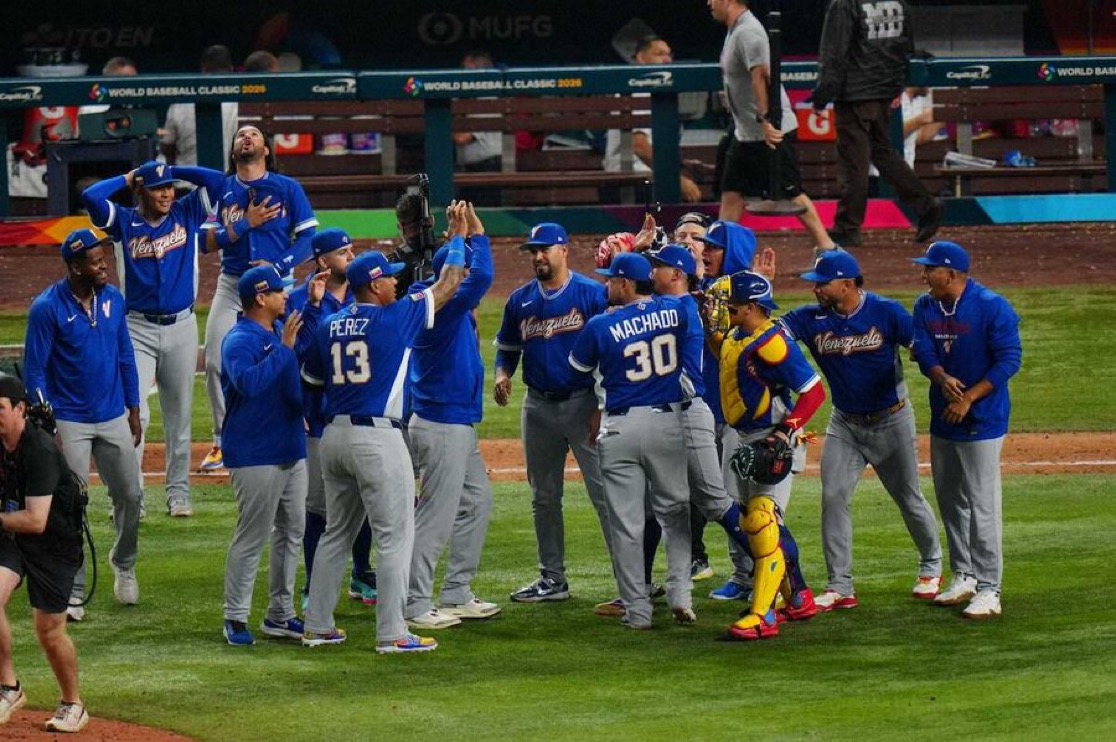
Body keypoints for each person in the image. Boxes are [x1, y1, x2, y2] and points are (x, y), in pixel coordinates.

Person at [300, 206, 467, 653]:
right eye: (390, 277)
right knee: (396, 536)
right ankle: (392, 632)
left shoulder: (329, 323)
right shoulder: (395, 317)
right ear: (374, 285)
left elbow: (311, 383)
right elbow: (449, 285)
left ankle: (317, 624)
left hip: (333, 436)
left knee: (337, 532)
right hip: (377, 436)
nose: (396, 281)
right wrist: (458, 240)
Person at [780, 249, 942, 610]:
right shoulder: (809, 319)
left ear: (848, 284)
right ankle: (840, 586)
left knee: (908, 497)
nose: (816, 289)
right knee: (833, 497)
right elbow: (770, 335)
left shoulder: (886, 312)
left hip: (892, 419)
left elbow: (923, 350)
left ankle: (931, 567)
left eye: (823, 283)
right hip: (845, 423)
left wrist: (932, 359)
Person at [81, 160, 224, 518]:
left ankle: (178, 494)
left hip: (182, 325)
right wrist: (128, 176)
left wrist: (172, 168)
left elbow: (220, 181)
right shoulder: (123, 221)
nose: (167, 194)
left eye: (170, 186)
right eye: (159, 188)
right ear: (141, 191)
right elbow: (90, 196)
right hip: (136, 329)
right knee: (137, 413)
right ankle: (133, 495)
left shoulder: (187, 211)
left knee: (179, 417)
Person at [569, 252, 695, 630]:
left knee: (626, 525)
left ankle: (637, 612)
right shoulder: (676, 312)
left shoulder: (599, 325)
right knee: (676, 514)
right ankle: (681, 595)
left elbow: (577, 369)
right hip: (667, 424)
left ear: (625, 284)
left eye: (611, 279)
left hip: (620, 429)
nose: (606, 284)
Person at [22, 229, 143, 622]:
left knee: (131, 494)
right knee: (69, 506)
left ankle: (123, 563)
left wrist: (134, 408)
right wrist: (46, 425)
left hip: (111, 416)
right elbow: (35, 371)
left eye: (104, 257)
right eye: (96, 261)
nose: (104, 265)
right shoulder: (47, 309)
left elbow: (125, 353)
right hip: (70, 420)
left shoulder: (113, 299)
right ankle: (71, 589)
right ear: (76, 267)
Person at [496, 222, 611, 604]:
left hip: (583, 406)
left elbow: (610, 356)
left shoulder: (592, 295)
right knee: (543, 498)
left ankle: (634, 577)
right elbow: (508, 347)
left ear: (565, 249)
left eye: (545, 249)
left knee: (606, 495)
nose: (538, 256)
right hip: (538, 407)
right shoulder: (520, 300)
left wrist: (600, 405)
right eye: (533, 250)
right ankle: (552, 579)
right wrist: (502, 374)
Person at [707, 270, 826, 639]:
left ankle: (763, 616)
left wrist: (786, 432)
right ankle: (799, 598)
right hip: (744, 438)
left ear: (752, 307)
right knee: (754, 521)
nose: (723, 310)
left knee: (762, 522)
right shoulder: (738, 336)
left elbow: (813, 392)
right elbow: (726, 357)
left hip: (769, 438)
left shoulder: (772, 343)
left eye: (730, 306)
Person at [911, 241, 1021, 620]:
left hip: (984, 422)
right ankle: (965, 575)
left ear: (952, 274)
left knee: (982, 504)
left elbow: (1010, 360)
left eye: (930, 269)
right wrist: (940, 377)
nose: (923, 275)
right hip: (943, 419)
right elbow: (922, 351)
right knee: (950, 500)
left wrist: (968, 398)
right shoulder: (925, 305)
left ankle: (990, 589)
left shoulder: (992, 306)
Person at [200, 124, 318, 472]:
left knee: (294, 354)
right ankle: (223, 440)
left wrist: (277, 264)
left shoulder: (287, 188)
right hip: (233, 284)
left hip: (279, 286)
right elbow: (206, 242)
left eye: (253, 134)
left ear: (266, 148)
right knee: (214, 360)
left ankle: (298, 425)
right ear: (234, 150)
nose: (246, 137)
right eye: (240, 135)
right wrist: (244, 224)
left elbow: (308, 238)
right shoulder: (222, 191)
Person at [404, 202, 499, 631]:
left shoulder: (431, 301)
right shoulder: (439, 308)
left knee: (476, 501)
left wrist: (470, 238)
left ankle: (457, 592)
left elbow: (472, 276)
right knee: (435, 517)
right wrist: (470, 234)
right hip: (441, 424)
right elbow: (480, 277)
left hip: (453, 422)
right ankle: (414, 603)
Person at [287, 229, 378, 607]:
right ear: (323, 261)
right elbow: (293, 356)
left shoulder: (364, 298)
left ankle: (361, 573)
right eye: (344, 252)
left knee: (367, 500)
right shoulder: (296, 300)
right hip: (317, 418)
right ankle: (313, 585)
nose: (352, 255)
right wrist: (312, 307)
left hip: (358, 413)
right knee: (319, 508)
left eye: (352, 249)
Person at [219, 265, 307, 646]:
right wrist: (284, 350)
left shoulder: (275, 330)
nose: (285, 295)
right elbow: (249, 383)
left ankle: (281, 614)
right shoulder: (239, 340)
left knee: (291, 533)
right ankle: (235, 617)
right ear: (260, 297)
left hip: (289, 446)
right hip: (254, 452)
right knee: (252, 536)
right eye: (278, 290)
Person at [707, 0, 837, 252]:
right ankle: (719, 254)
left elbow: (761, 77)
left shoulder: (749, 32)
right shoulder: (734, 30)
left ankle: (828, 249)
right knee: (731, 192)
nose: (709, 3)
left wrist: (767, 120)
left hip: (770, 130)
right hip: (744, 132)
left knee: (792, 193)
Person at [812, 0, 944, 247]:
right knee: (882, 152)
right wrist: (897, 85)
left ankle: (848, 227)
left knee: (855, 161)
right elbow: (906, 46)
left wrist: (822, 95)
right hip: (884, 89)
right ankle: (926, 205)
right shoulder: (899, 2)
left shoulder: (844, 4)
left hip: (854, 93)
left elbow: (834, 53)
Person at [0, 375, 90, 733]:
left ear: (20, 409)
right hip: (12, 536)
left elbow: (36, 520)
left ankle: (73, 704)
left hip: (54, 544)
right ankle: (9, 687)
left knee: (49, 631)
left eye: (0, 410)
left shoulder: (39, 450)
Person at [602, 35, 702, 203]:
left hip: (649, 173)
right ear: (641, 57)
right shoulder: (635, 90)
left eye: (669, 55)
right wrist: (676, 178)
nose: (667, 60)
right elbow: (639, 146)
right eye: (659, 54)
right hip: (629, 176)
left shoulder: (658, 91)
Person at [161, 45, 239, 167]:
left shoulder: (180, 102)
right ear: (231, 69)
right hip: (227, 181)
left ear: (203, 69)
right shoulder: (240, 101)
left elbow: (167, 147)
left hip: (187, 181)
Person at [454, 50, 503, 207]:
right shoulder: (470, 99)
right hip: (470, 171)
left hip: (487, 170)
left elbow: (461, 138)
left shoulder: (487, 99)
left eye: (468, 70)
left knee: (485, 224)